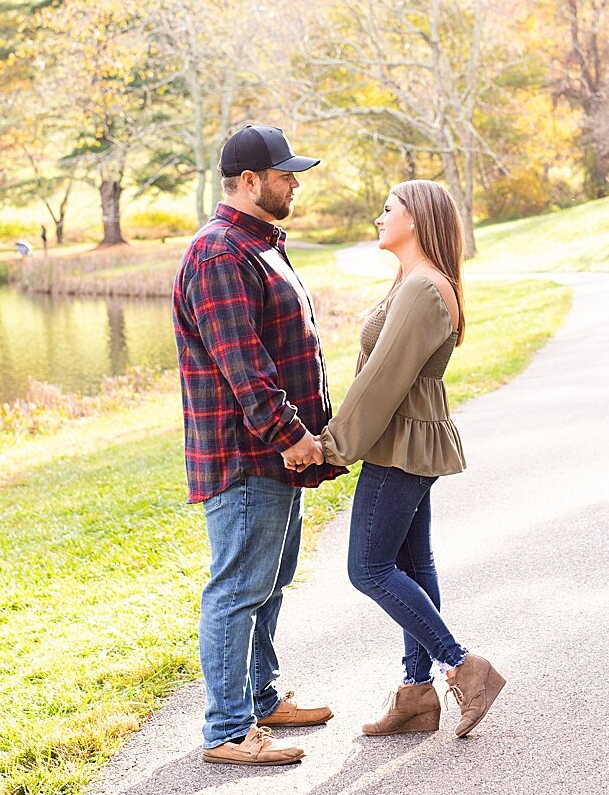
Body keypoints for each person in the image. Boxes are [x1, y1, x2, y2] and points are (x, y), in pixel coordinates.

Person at [172, 124, 344, 766]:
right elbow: (244, 366)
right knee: (238, 587)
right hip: (247, 455)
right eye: (284, 174)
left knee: (269, 584)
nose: (294, 183)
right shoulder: (220, 254)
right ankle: (225, 731)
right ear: (250, 182)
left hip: (277, 456)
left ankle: (262, 701)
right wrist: (291, 435)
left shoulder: (261, 245)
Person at [312, 179, 506, 739]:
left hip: (398, 443)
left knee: (368, 569)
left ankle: (463, 666)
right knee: (414, 566)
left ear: (416, 219)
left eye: (388, 209)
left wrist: (331, 445)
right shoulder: (414, 280)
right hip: (405, 440)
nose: (378, 217)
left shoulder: (423, 288)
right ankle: (417, 696)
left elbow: (381, 381)